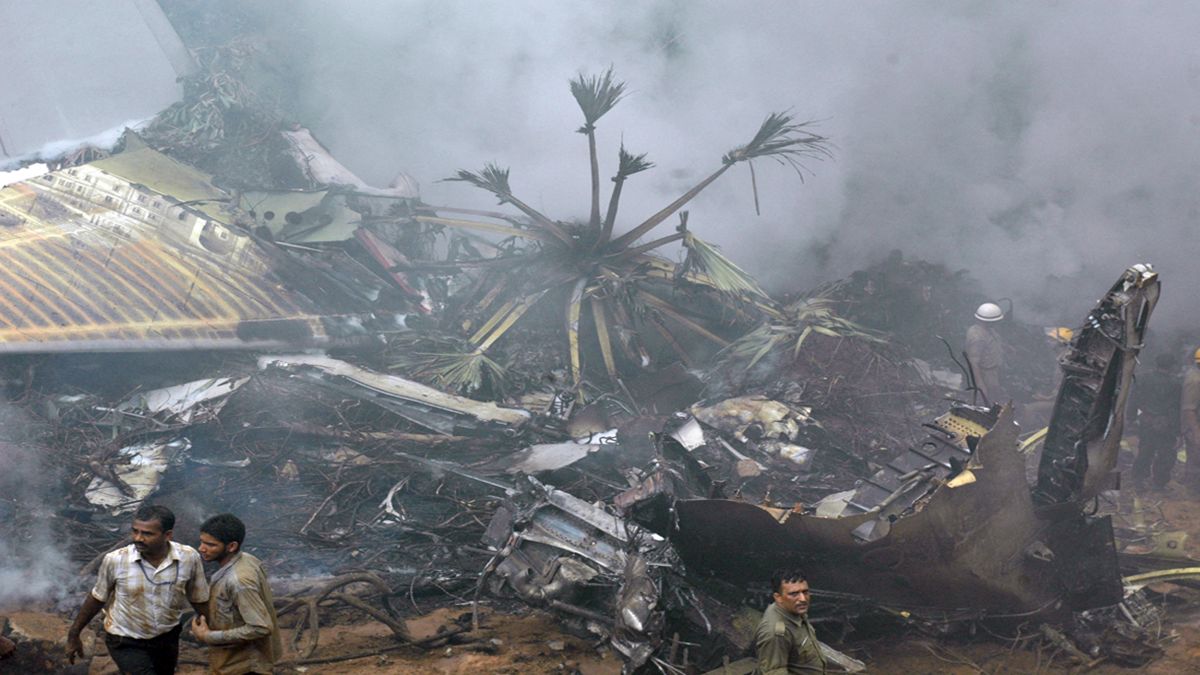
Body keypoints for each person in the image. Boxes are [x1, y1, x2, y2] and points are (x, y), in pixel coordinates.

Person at [67, 504, 209, 674]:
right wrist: (73, 634)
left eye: (147, 533)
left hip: (167, 637)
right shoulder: (116, 560)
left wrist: (216, 630)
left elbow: (198, 597)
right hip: (125, 640)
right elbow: (97, 597)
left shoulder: (189, 557)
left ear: (167, 535)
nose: (138, 538)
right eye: (135, 531)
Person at [192, 513, 281, 675]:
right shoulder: (246, 559)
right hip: (231, 663)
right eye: (202, 542)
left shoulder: (239, 581)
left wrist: (209, 636)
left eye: (210, 544)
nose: (201, 549)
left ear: (231, 546)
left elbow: (260, 627)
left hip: (245, 666)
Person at [754, 567, 826, 674]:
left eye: (805, 592)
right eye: (794, 594)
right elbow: (774, 671)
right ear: (778, 597)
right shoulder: (776, 632)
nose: (803, 599)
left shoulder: (792, 610)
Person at [1132, 354, 1183, 490]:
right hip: (1167, 424)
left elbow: (1134, 399)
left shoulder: (1143, 378)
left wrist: (1131, 419)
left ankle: (1139, 480)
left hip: (1146, 421)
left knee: (1145, 451)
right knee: (1166, 454)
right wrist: (1178, 430)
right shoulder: (1176, 384)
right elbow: (1176, 408)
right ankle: (1159, 483)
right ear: (1172, 366)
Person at [965, 302, 1007, 405]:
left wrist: (1005, 347)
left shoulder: (987, 329)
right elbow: (973, 363)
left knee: (995, 395)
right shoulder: (977, 337)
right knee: (989, 399)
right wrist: (980, 384)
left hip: (993, 371)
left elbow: (991, 342)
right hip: (986, 374)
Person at [1183, 348, 1200, 492]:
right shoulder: (1195, 380)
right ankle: (1194, 490)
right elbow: (1189, 408)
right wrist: (1196, 431)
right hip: (1196, 426)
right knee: (1196, 460)